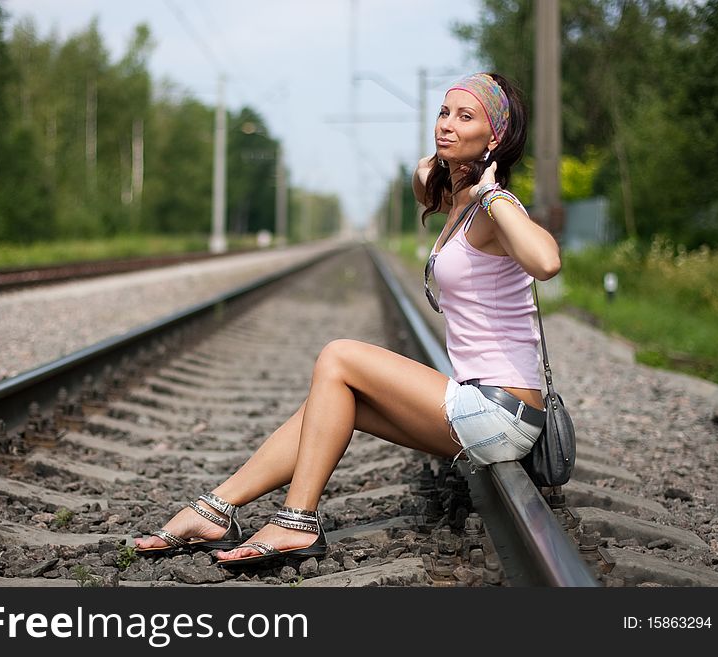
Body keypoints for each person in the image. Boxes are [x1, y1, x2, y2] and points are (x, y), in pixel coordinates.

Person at [133, 72, 561, 567]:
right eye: (444, 112)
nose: (446, 124)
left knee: (339, 356)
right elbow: (424, 184)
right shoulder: (458, 203)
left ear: (496, 138)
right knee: (335, 403)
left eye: (466, 117)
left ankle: (297, 519)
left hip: (501, 410)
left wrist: (493, 191)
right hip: (482, 404)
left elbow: (546, 262)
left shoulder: (493, 205)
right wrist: (441, 169)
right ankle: (217, 507)